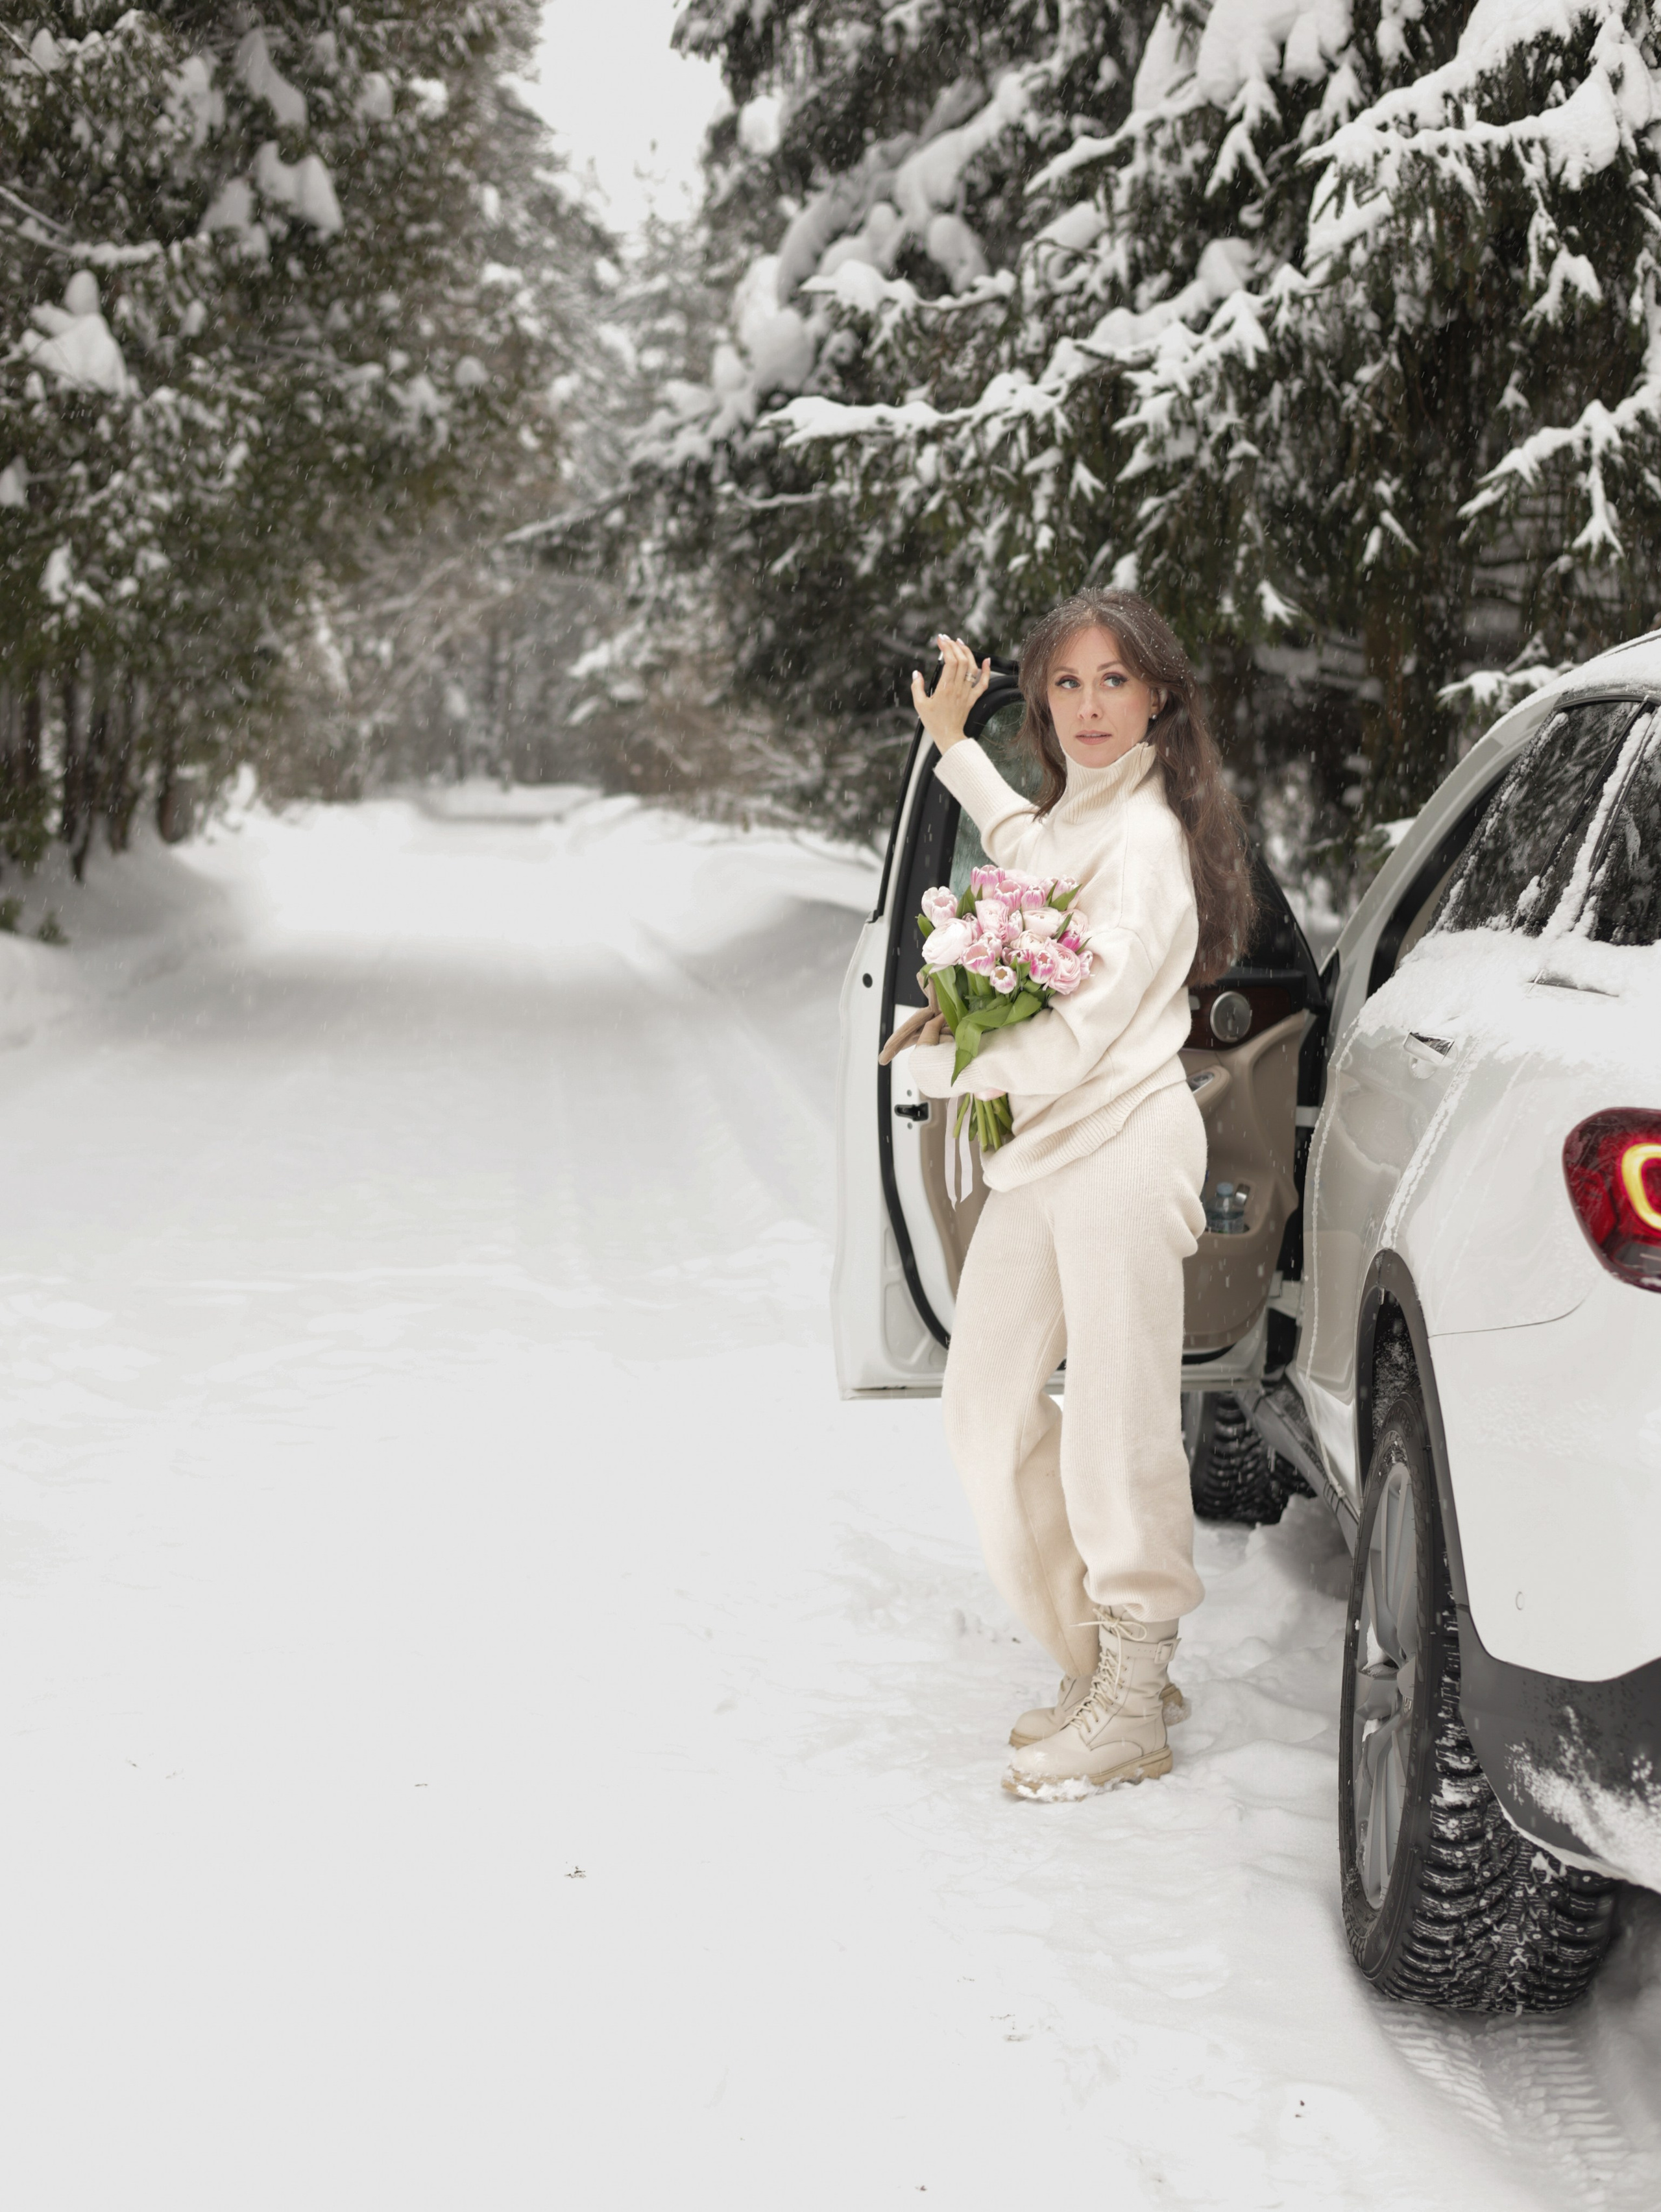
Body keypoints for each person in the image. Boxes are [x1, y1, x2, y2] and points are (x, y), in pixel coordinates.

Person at [899, 588, 1255, 1797]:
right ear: (1044, 705)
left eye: (1115, 681)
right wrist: (954, 747)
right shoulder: (1083, 810)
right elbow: (1029, 852)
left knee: (1117, 1429)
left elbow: (1092, 1024)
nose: (1092, 705)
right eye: (1067, 684)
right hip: (1047, 1154)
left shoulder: (1151, 844)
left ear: (1158, 693)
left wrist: (951, 1054)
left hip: (1121, 1147)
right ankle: (1103, 1658)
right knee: (983, 1404)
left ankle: (1135, 1695)